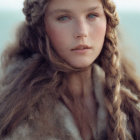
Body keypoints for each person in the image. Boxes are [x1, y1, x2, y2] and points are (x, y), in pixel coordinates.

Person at [0, 0, 140, 139]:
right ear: (42, 27)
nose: (81, 32)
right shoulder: (12, 115)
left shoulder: (133, 104)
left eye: (92, 15)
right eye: (63, 18)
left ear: (107, 21)